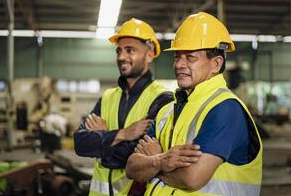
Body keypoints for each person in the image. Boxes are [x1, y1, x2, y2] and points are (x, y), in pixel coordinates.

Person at [126, 12, 262, 196]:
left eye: (190, 57)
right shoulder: (167, 110)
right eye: (177, 56)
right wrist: (160, 161)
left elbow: (192, 178)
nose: (179, 64)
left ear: (216, 63)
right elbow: (132, 168)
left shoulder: (225, 109)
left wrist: (153, 164)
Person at [74, 18, 173, 196]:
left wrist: (103, 139)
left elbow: (133, 157)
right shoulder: (107, 97)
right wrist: (123, 134)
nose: (121, 57)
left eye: (130, 50)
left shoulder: (162, 98)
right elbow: (80, 144)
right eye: (119, 50)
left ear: (149, 54)